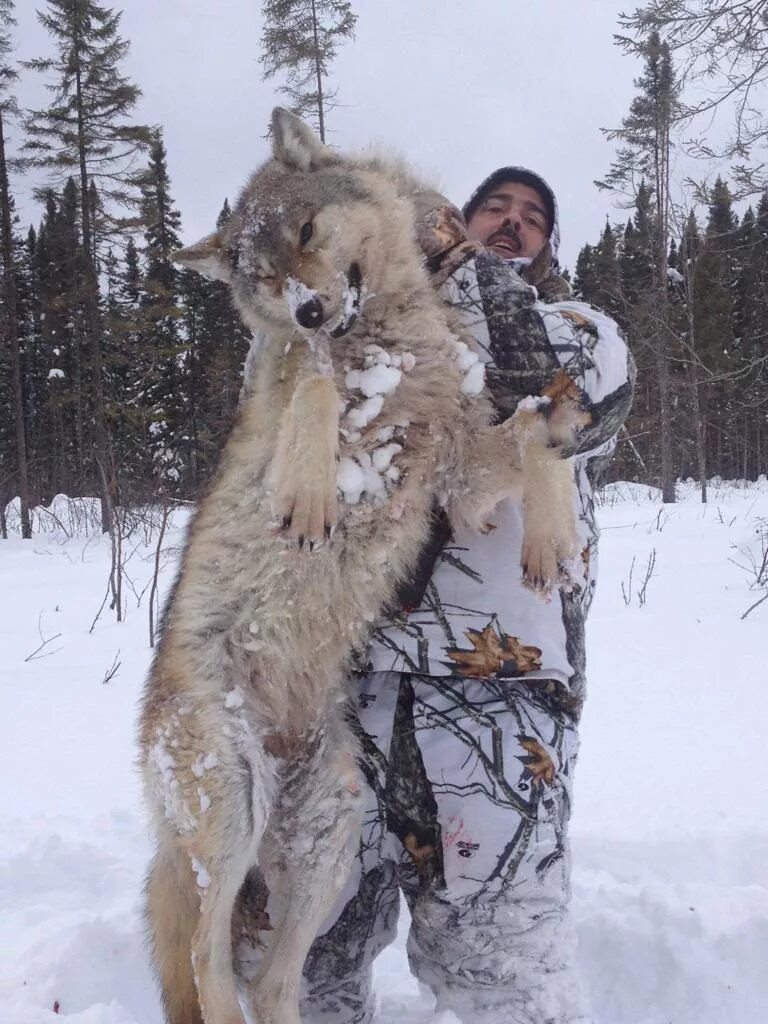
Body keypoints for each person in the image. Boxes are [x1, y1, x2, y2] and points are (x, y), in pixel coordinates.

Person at [243, 168, 635, 1024]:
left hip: (497, 702)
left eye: (534, 217)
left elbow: (568, 398)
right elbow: (277, 391)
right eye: (495, 207)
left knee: (505, 969)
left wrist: (462, 265)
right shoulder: (373, 320)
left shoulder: (581, 328)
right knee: (293, 961)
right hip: (333, 693)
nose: (512, 224)